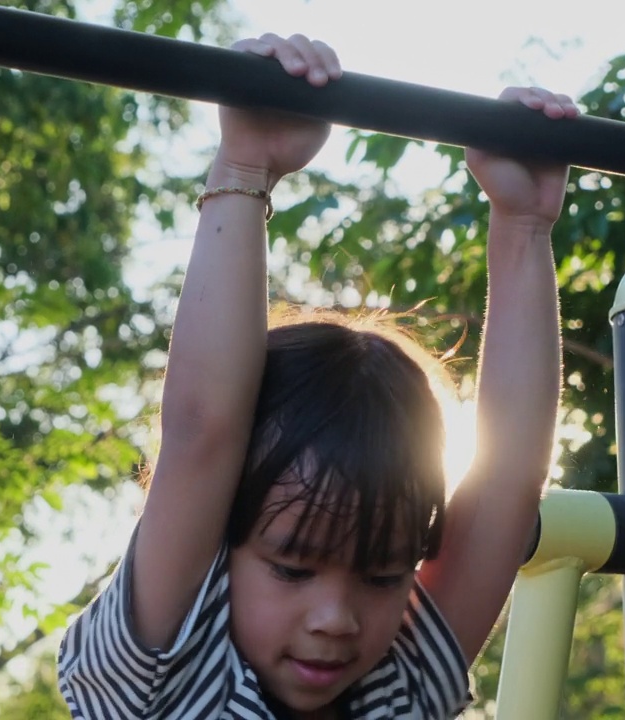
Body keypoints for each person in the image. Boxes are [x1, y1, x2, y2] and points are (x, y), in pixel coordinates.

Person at [57, 32, 577, 719]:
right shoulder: (168, 675)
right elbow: (201, 431)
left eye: (382, 576)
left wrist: (524, 225)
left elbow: (509, 480)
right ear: (224, 539)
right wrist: (245, 164)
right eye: (293, 569)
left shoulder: (398, 687)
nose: (336, 619)